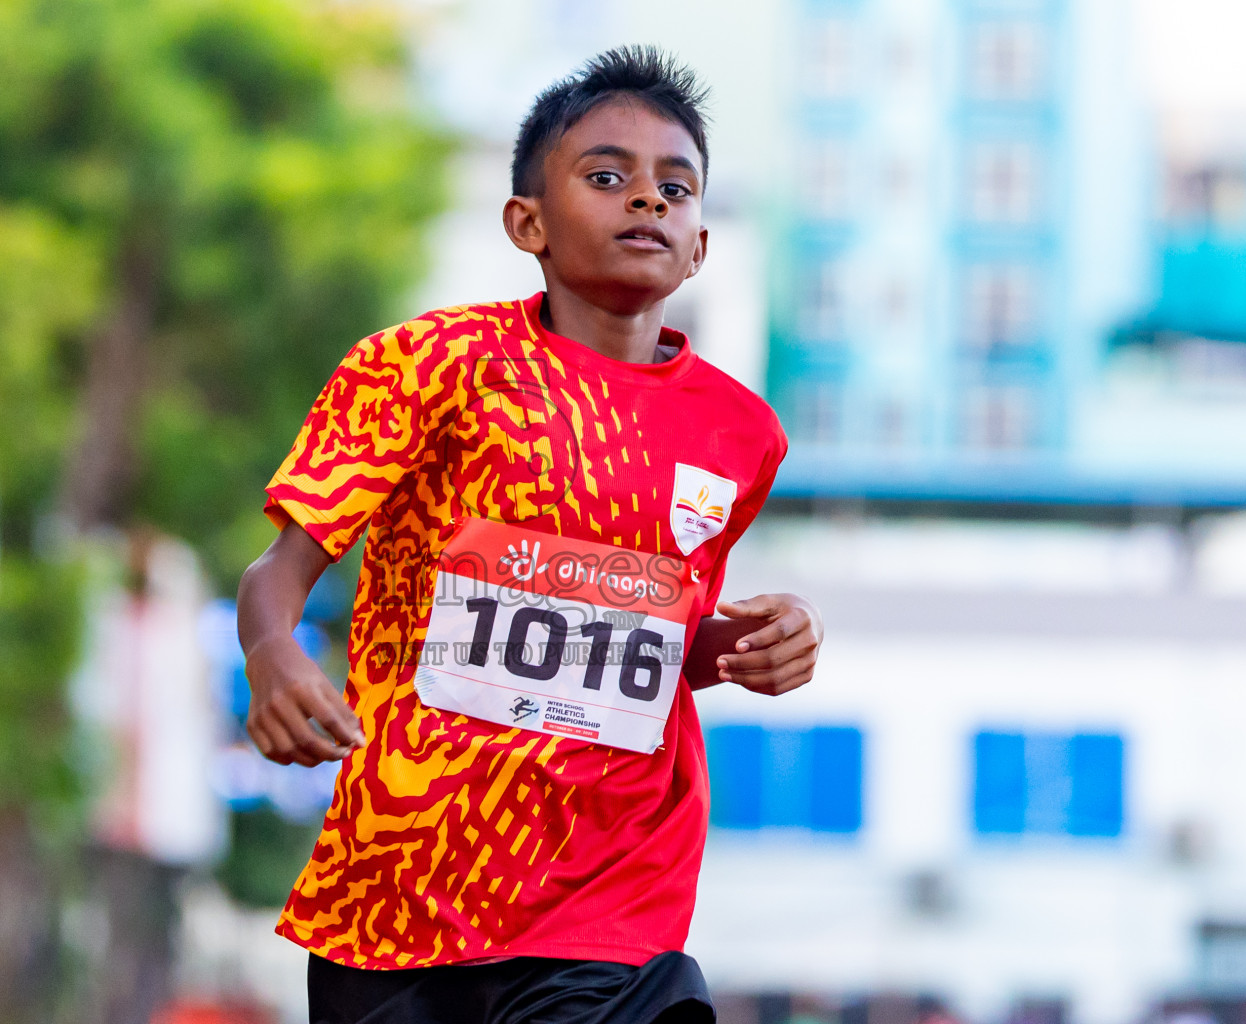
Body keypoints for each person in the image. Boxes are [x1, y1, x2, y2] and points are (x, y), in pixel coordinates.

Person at [238, 46, 823, 1024]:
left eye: (674, 188)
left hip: (610, 888)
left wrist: (753, 644)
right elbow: (278, 571)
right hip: (401, 885)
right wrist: (271, 654)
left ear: (703, 243)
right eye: (607, 177)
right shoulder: (425, 366)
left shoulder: (742, 434)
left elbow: (660, 633)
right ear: (529, 223)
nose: (647, 201)